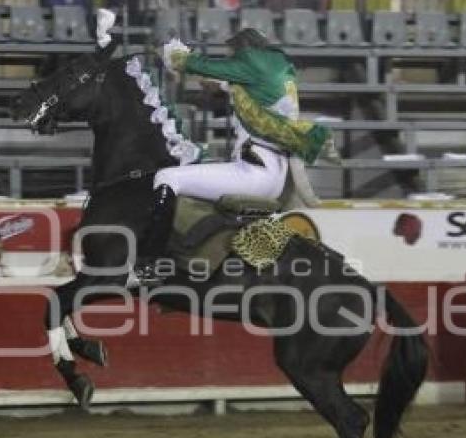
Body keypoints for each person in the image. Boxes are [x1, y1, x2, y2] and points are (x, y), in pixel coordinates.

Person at [135, 28, 336, 283]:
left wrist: (170, 49)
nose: (232, 59)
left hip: (254, 173)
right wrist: (216, 82)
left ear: (244, 49)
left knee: (167, 177)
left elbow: (193, 64)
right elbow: (240, 86)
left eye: (233, 54)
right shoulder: (277, 66)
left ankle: (150, 264)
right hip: (273, 172)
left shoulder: (251, 62)